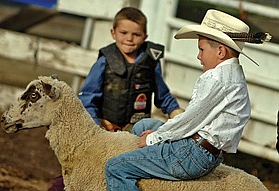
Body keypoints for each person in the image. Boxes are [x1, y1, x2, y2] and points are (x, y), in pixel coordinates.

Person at [104, 9, 271, 191]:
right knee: (143, 126)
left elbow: (190, 120)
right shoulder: (234, 75)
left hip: (191, 153)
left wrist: (154, 139)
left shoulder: (217, 79)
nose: (198, 56)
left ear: (221, 51)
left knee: (115, 167)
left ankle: (134, 169)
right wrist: (157, 135)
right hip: (201, 148)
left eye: (201, 49)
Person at [48, 7, 182, 191]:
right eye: (124, 33)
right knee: (82, 169)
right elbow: (88, 96)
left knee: (130, 174)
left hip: (134, 133)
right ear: (113, 33)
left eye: (136, 34)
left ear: (145, 36)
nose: (129, 38)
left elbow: (163, 95)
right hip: (105, 129)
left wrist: (175, 112)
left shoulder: (151, 62)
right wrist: (95, 126)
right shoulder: (106, 60)